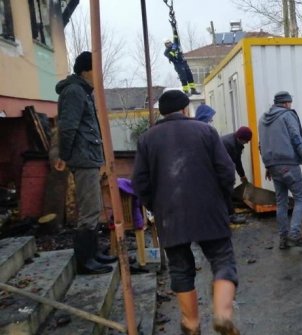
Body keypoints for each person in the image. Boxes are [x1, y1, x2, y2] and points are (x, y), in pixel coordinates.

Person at [132, 90, 239, 335]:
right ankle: (222, 315)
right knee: (222, 258)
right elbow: (226, 171)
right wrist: (222, 200)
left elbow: (139, 182)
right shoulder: (206, 131)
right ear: (185, 109)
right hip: (209, 209)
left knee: (180, 268)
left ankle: (191, 324)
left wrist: (155, 206)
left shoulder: (147, 139)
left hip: (170, 215)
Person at [55, 51, 117, 275]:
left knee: (94, 208)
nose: (98, 74)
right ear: (85, 71)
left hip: (88, 157)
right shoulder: (74, 91)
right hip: (82, 158)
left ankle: (94, 253)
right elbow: (68, 126)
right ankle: (85, 261)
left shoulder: (82, 91)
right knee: (89, 211)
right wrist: (63, 155)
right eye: (96, 69)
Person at [258, 91, 302, 249]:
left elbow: (261, 145)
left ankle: (283, 239)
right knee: (300, 199)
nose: (291, 105)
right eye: (290, 102)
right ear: (285, 103)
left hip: (273, 166)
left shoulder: (263, 120)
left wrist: (268, 166)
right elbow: (296, 139)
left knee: (281, 203)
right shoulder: (287, 115)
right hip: (288, 164)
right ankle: (294, 234)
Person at [221, 127, 253, 224]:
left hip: (222, 169)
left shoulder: (235, 142)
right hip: (220, 171)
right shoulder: (228, 144)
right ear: (241, 138)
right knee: (226, 191)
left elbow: (237, 160)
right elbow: (225, 163)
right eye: (246, 141)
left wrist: (242, 175)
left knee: (226, 192)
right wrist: (229, 178)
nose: (247, 143)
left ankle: (227, 215)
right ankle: (231, 216)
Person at [164, 25, 199, 95]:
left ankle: (193, 89)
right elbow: (170, 56)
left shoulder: (176, 44)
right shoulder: (166, 52)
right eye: (167, 44)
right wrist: (173, 50)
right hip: (178, 65)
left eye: (169, 42)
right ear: (165, 45)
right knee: (183, 77)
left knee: (189, 75)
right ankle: (186, 91)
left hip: (183, 62)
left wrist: (174, 28)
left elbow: (176, 37)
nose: (169, 44)